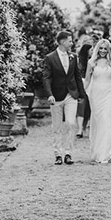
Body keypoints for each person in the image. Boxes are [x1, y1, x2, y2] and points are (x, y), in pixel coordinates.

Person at [42, 30, 84, 165]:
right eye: (70, 41)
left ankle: (68, 153)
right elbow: (46, 78)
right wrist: (49, 94)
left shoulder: (74, 56)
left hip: (71, 95)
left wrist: (81, 94)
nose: (72, 43)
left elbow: (77, 76)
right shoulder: (50, 58)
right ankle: (57, 154)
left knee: (71, 124)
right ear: (62, 42)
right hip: (56, 96)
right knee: (57, 126)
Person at [84, 38, 111, 164]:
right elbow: (87, 80)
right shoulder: (91, 62)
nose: (103, 51)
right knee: (98, 121)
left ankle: (104, 153)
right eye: (101, 48)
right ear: (98, 49)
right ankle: (97, 151)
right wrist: (82, 93)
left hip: (109, 93)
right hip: (96, 94)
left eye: (105, 48)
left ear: (109, 50)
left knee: (106, 119)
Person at [74, 32, 97, 138]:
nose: (93, 51)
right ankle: (79, 129)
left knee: (89, 108)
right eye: (91, 49)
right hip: (83, 84)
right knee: (81, 107)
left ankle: (84, 127)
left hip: (93, 86)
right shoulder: (79, 62)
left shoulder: (95, 61)